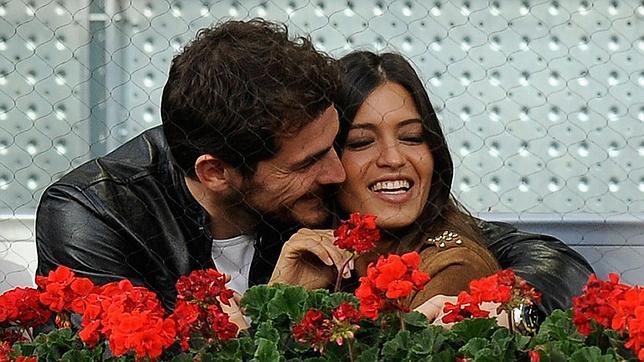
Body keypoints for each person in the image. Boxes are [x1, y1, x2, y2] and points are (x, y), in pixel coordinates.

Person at [35, 19, 346, 310]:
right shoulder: (96, 213)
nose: (338, 173)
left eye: (334, 144)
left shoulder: (325, 190)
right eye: (307, 163)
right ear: (216, 173)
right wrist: (277, 306)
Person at [270, 51, 593, 319]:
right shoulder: (300, 247)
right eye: (361, 142)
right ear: (327, 161)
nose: (394, 158)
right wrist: (280, 299)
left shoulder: (451, 265)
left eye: (412, 137)